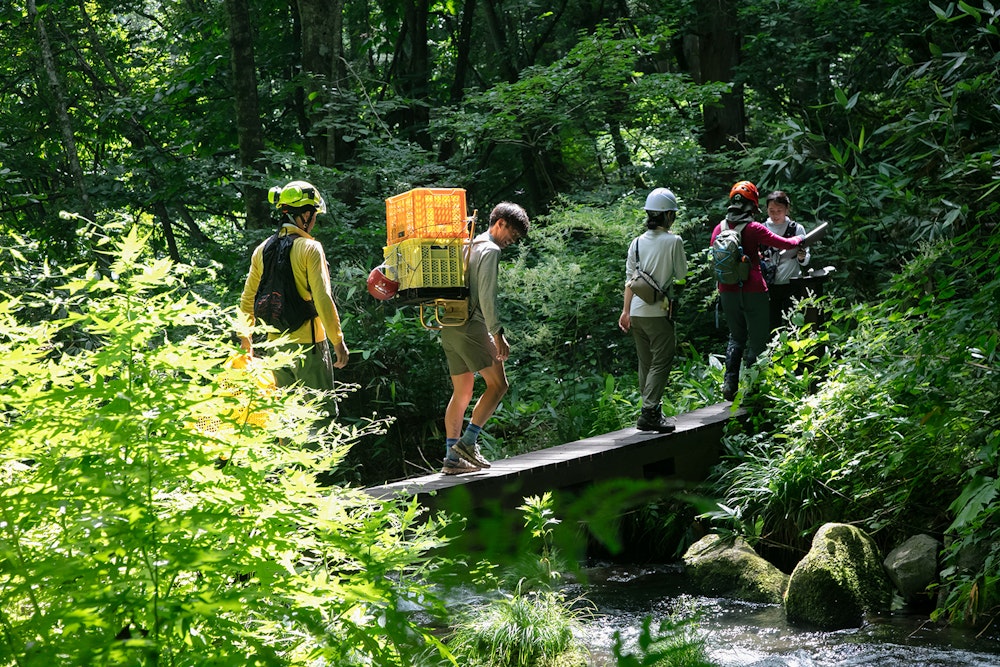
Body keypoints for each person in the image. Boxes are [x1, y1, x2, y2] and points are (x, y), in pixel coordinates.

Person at [238, 180, 350, 418]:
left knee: (285, 419)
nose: (315, 220)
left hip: (275, 347)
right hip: (309, 347)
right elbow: (322, 298)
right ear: (305, 215)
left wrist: (245, 342)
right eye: (315, 215)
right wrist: (337, 340)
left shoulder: (261, 250)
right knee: (319, 417)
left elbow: (247, 300)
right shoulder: (310, 248)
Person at [440, 202, 530, 475]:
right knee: (499, 385)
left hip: (449, 325)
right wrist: (497, 334)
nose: (510, 242)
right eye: (511, 235)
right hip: (472, 325)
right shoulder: (489, 250)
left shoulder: (469, 244)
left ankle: (452, 458)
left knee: (463, 391)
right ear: (499, 222)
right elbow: (487, 297)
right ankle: (467, 443)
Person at [711, 181, 803, 401]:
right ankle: (753, 388)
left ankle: (730, 384)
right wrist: (800, 239)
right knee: (758, 340)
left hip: (727, 290)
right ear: (752, 205)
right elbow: (786, 243)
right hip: (754, 290)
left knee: (736, 337)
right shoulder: (754, 228)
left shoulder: (718, 229)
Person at [618, 188, 688, 432]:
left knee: (645, 363)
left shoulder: (636, 243)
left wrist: (625, 312)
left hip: (636, 312)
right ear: (668, 216)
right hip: (659, 310)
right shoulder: (674, 241)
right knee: (662, 360)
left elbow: (630, 280)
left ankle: (650, 409)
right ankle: (649, 412)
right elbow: (681, 275)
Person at [762, 190, 810, 332]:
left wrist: (802, 257)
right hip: (769, 285)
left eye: (779, 210)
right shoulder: (762, 229)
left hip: (792, 283)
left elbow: (806, 259)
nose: (775, 214)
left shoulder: (796, 229)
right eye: (771, 211)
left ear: (787, 209)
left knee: (794, 323)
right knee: (772, 325)